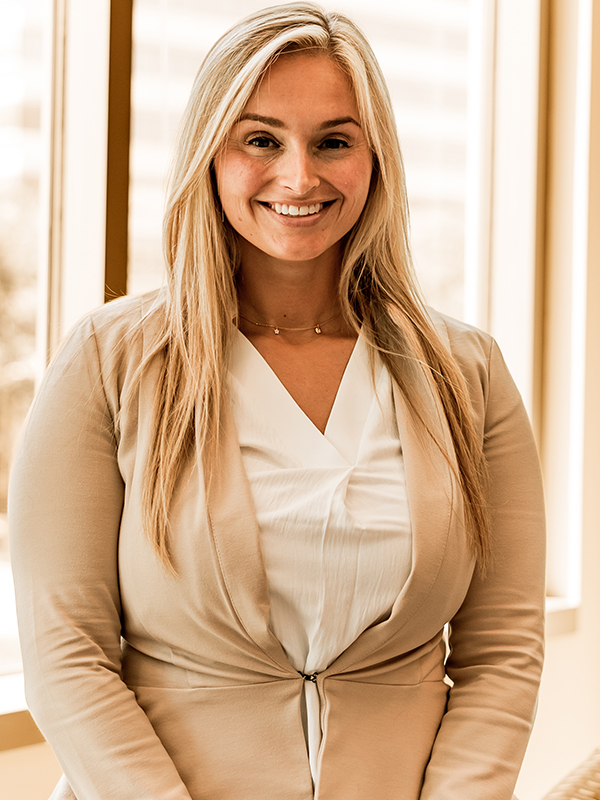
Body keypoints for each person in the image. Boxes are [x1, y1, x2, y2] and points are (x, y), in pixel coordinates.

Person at [9, 3, 546, 799]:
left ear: (375, 160)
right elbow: (65, 653)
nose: (300, 176)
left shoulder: (468, 372)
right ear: (210, 154)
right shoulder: (109, 361)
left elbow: (501, 647)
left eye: (334, 141)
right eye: (261, 139)